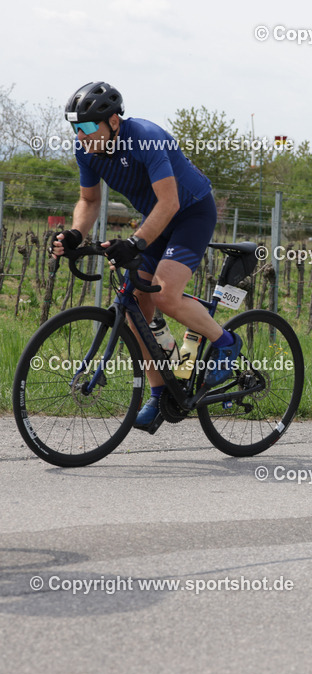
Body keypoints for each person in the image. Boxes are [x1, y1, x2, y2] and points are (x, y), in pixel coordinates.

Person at [51, 81, 240, 431]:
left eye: (88, 127)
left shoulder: (146, 138)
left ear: (114, 123)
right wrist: (77, 233)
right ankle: (160, 395)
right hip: (157, 218)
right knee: (136, 303)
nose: (81, 135)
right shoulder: (87, 152)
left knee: (165, 293)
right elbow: (90, 201)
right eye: (76, 128)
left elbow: (170, 203)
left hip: (191, 213)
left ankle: (226, 342)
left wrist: (136, 243)